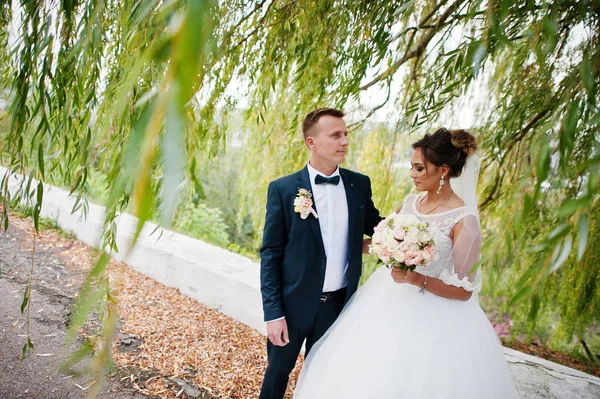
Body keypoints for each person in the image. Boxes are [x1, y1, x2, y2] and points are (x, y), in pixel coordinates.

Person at [293, 128, 520, 398]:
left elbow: (464, 290)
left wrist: (416, 278)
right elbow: (380, 242)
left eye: (419, 168)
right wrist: (328, 246)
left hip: (435, 317)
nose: (411, 174)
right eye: (412, 167)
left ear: (444, 170)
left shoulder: (464, 220)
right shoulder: (411, 203)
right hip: (384, 298)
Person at [259, 108, 382, 399]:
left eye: (346, 134)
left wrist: (412, 227)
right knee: (277, 374)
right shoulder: (284, 189)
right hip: (292, 304)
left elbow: (376, 228)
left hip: (338, 305)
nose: (345, 142)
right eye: (336, 135)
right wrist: (273, 313)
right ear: (311, 142)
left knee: (323, 379)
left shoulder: (358, 184)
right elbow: (271, 254)